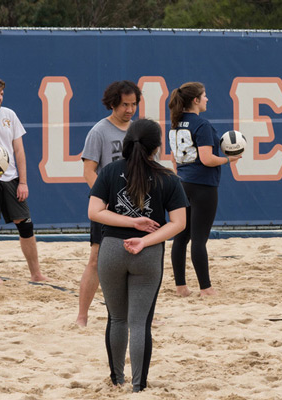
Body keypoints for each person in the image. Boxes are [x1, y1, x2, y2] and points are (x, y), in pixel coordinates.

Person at [89, 118, 187, 392]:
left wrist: (129, 222)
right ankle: (138, 386)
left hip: (112, 250)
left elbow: (95, 212)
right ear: (156, 146)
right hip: (147, 253)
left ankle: (116, 380)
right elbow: (178, 223)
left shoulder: (109, 171)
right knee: (139, 322)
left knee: (116, 318)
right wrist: (144, 238)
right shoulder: (167, 176)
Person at [76, 80, 141, 327]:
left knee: (137, 262)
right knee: (96, 260)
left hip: (136, 207)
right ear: (113, 103)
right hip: (107, 210)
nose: (130, 109)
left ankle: (141, 314)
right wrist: (106, 200)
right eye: (125, 104)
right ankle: (82, 316)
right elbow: (89, 171)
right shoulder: (99, 131)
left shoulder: (139, 132)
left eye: (134, 104)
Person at [167, 82, 239, 297]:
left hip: (182, 183)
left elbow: (174, 159)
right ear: (195, 100)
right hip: (203, 186)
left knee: (181, 238)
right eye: (204, 96)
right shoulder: (202, 125)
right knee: (199, 240)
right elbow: (207, 159)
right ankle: (206, 289)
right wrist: (228, 159)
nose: (207, 99)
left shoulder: (175, 124)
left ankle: (181, 287)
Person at [0, 76, 47, 284]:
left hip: (11, 177)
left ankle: (36, 273)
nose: (0, 97)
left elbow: (19, 150)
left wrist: (23, 182)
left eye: (2, 94)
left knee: (25, 224)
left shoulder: (10, 114)